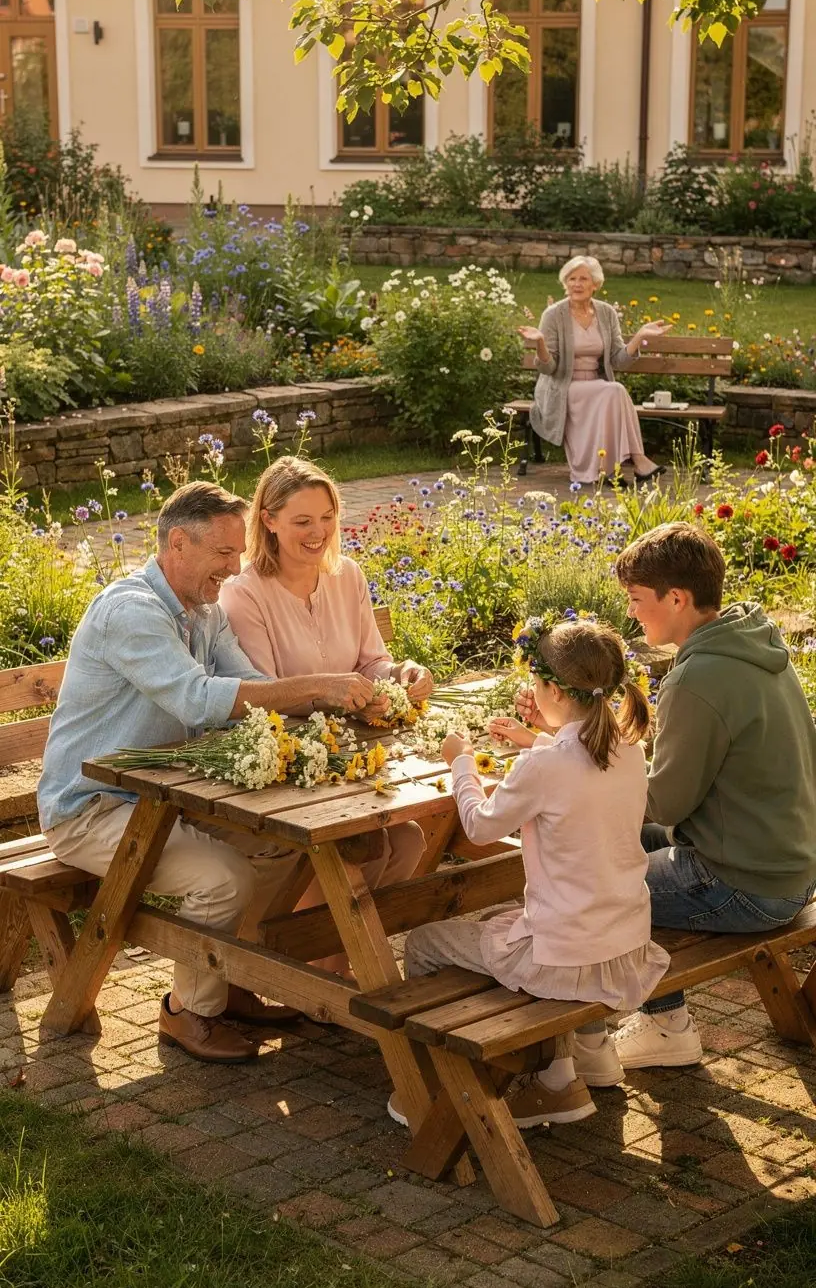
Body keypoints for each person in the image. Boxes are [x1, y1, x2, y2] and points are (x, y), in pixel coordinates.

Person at [38, 482, 378, 1064]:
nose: (235, 565)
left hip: (163, 798)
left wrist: (340, 703)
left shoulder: (205, 611)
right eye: (223, 553)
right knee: (222, 877)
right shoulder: (132, 612)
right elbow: (199, 700)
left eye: (237, 552)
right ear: (178, 543)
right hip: (91, 807)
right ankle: (185, 1011)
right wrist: (318, 686)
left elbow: (254, 688)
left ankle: (232, 979)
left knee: (283, 846)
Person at [389, 617, 669, 1129]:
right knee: (502, 918)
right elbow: (577, 771)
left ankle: (430, 1088)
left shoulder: (544, 767)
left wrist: (462, 762)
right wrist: (535, 739)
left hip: (567, 959)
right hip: (623, 945)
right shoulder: (629, 747)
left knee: (425, 942)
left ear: (551, 689)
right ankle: (558, 1078)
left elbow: (477, 825)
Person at [607, 521, 816, 1071]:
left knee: (602, 883)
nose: (632, 613)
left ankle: (665, 1025)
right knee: (619, 840)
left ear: (676, 598)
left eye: (637, 600)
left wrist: (593, 776)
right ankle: (649, 1013)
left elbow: (666, 804)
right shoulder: (756, 646)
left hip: (748, 885)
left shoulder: (697, 677)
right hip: (790, 863)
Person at [219, 455, 434, 947]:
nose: (318, 533)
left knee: (407, 840)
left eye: (326, 518)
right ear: (268, 521)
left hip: (347, 756)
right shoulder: (244, 593)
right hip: (287, 764)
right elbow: (264, 696)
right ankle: (312, 971)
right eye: (302, 522)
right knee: (363, 850)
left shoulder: (347, 575)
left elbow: (369, 661)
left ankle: (334, 967)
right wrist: (350, 703)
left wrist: (399, 674)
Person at [518, 255, 671, 486]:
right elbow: (549, 368)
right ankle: (635, 461)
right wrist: (539, 342)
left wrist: (639, 336)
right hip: (562, 387)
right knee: (614, 391)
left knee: (613, 391)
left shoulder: (606, 313)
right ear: (565, 283)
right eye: (571, 279)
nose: (576, 284)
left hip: (597, 386)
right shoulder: (553, 315)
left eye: (583, 279)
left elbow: (618, 361)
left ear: (595, 284)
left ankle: (608, 469)